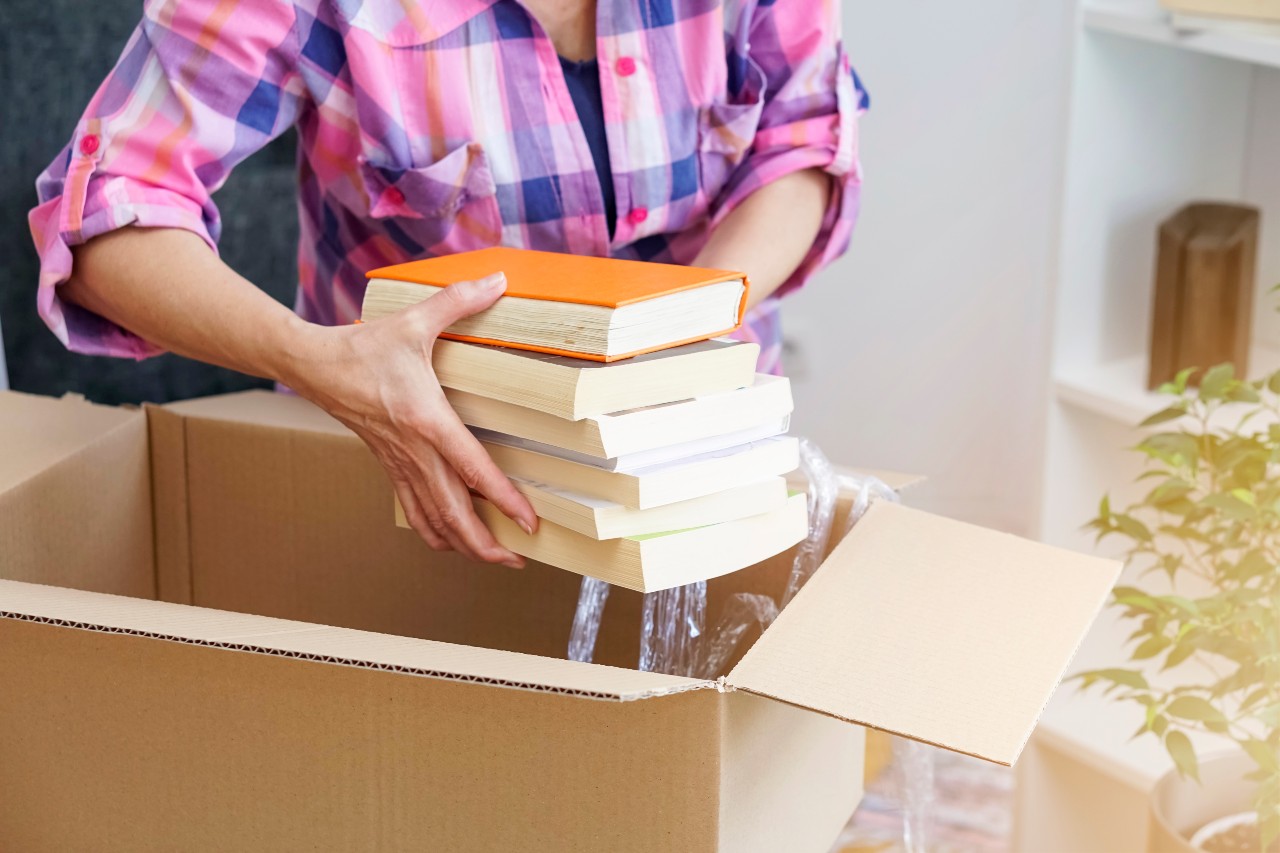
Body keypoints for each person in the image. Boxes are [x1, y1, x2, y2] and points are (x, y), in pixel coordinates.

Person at [29, 0, 867, 569]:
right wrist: (319, 359)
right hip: (409, 483)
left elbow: (802, 141)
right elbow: (108, 215)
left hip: (704, 462)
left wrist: (682, 327)